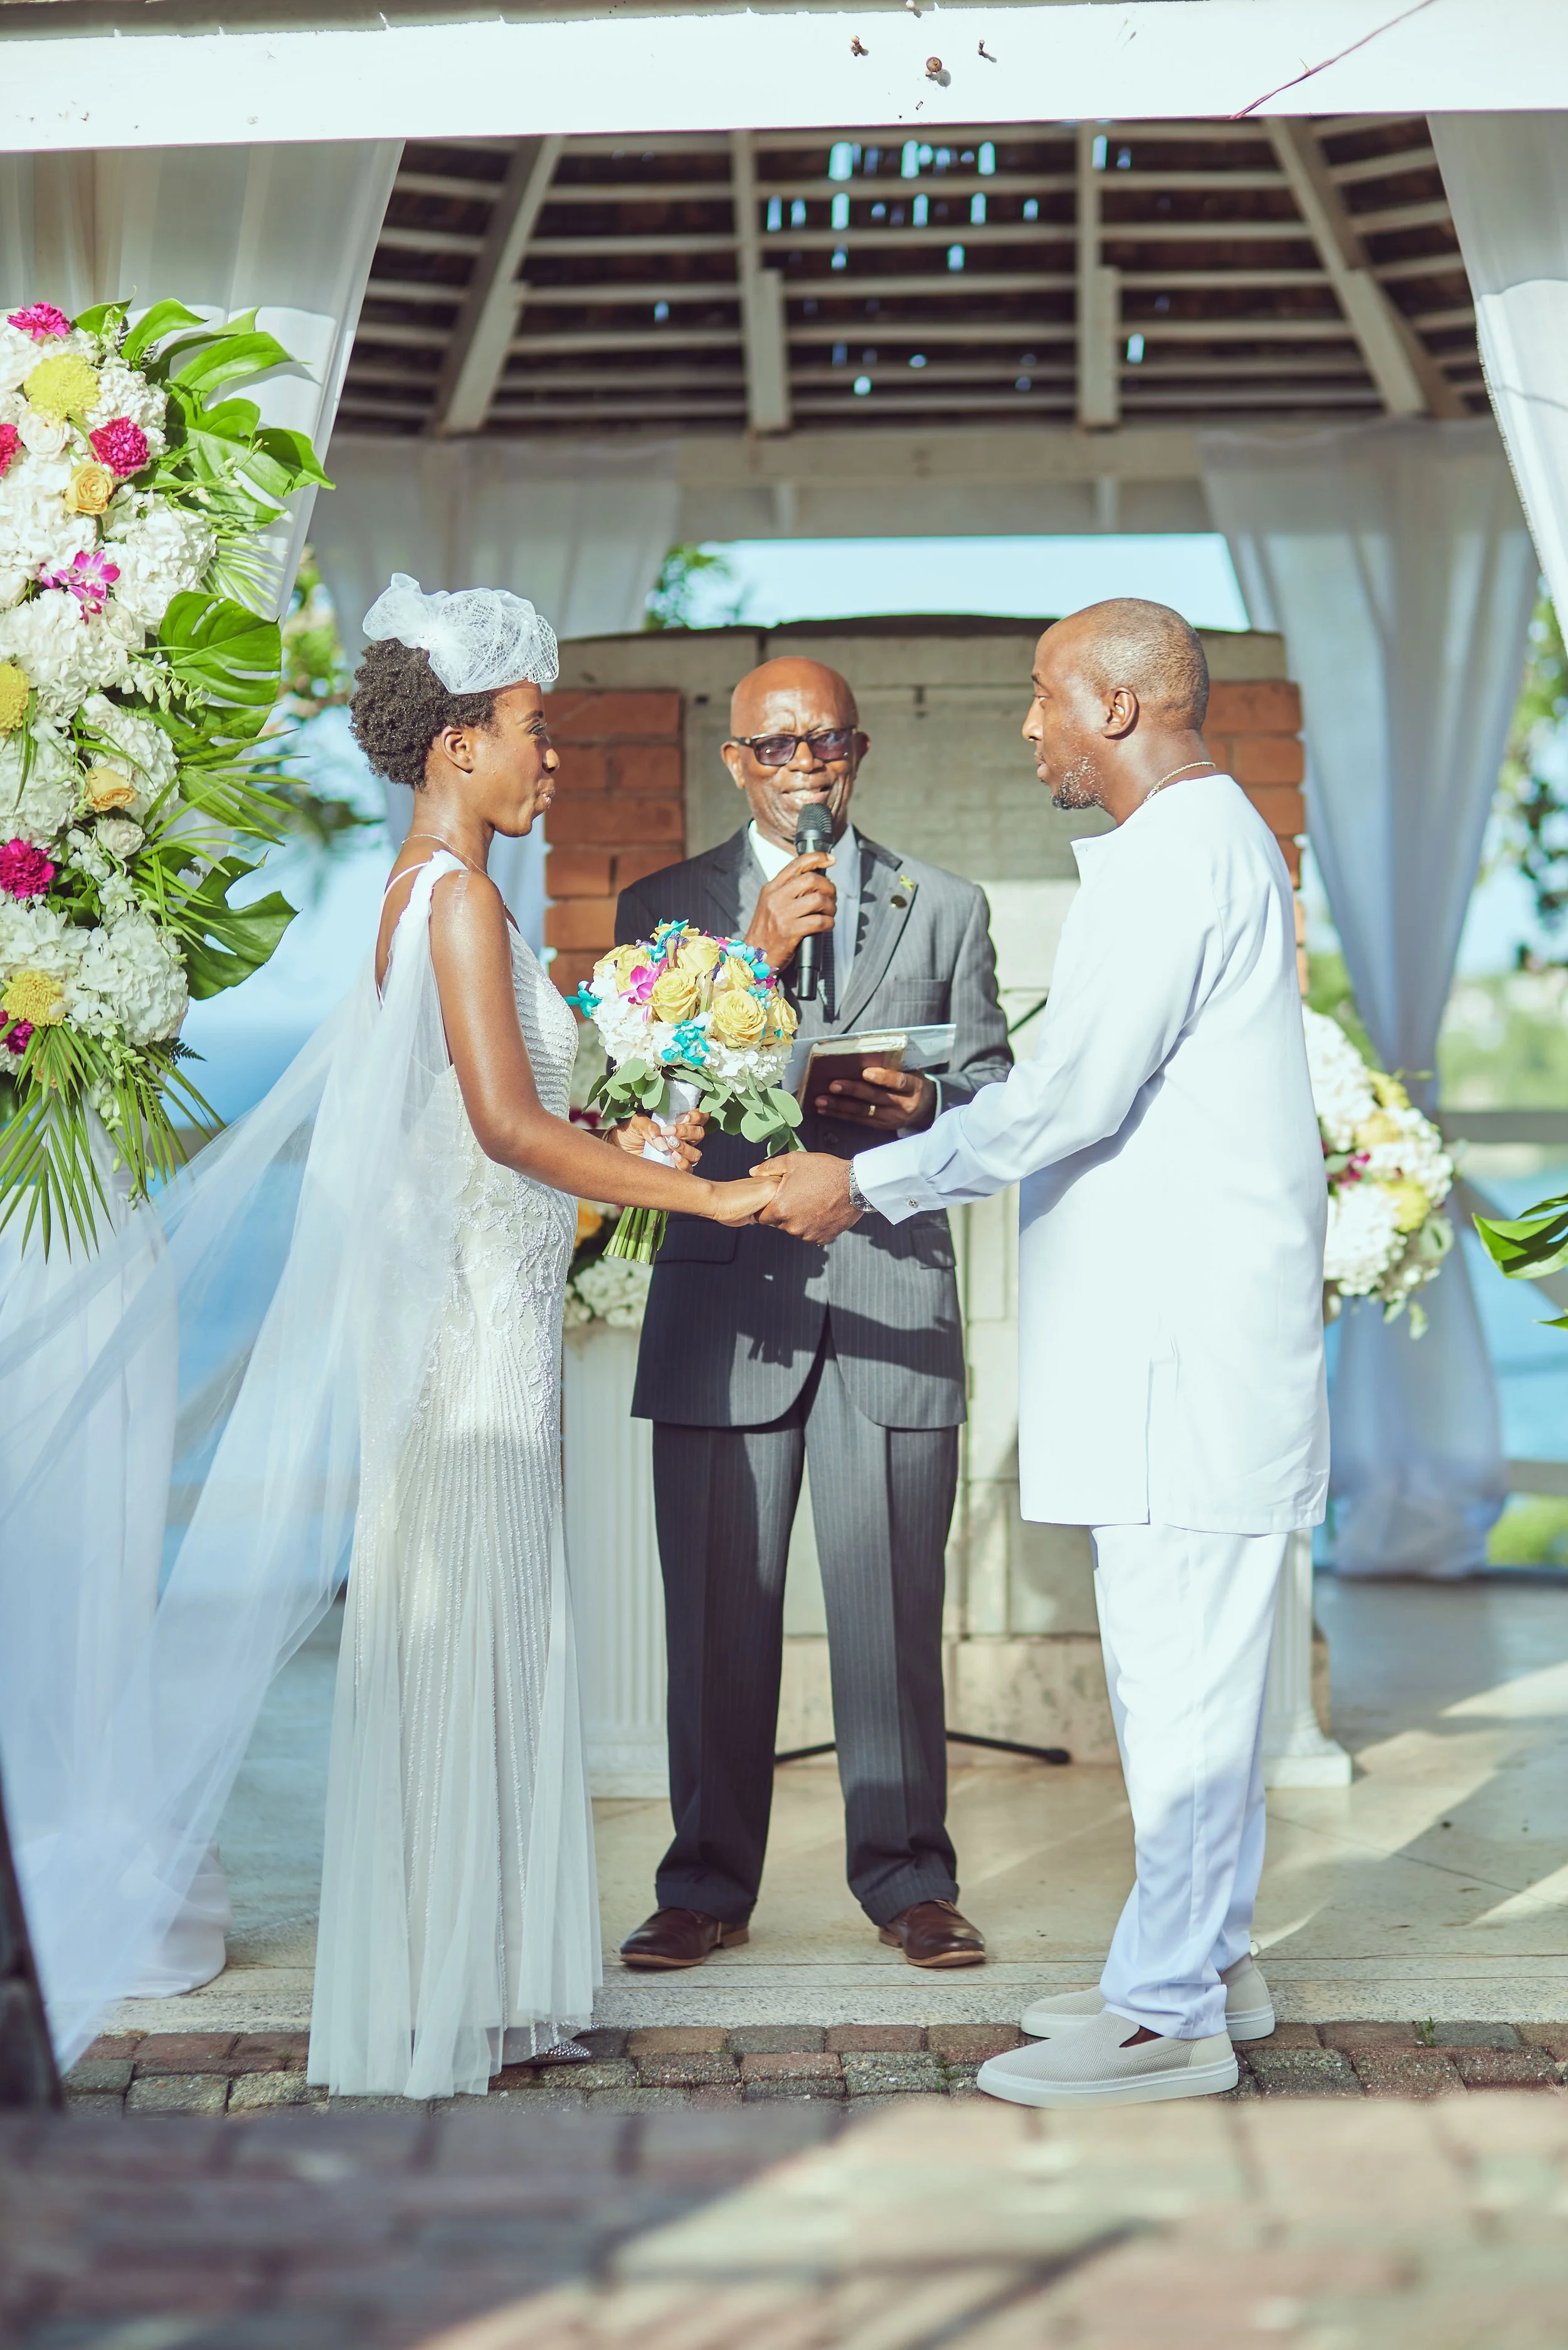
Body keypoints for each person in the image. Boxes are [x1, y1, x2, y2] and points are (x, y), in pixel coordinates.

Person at [0, 577, 777, 2097]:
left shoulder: (418, 897)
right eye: (530, 733)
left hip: (482, 1322)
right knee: (465, 1636)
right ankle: (449, 1995)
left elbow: (503, 1127)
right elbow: (501, 1128)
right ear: (453, 748)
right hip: (473, 1341)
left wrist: (634, 1137)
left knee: (467, 1639)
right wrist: (714, 1204)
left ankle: (462, 1983)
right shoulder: (462, 900)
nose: (548, 760)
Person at [754, 601, 1328, 2107]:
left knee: (1183, 1682)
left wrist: (859, 1179)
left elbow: (1065, 1097)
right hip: (1176, 1348)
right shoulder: (1196, 847)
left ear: (1123, 708)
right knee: (1184, 1675)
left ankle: (1163, 2024)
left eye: (1043, 699)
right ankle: (1206, 1964)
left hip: (1180, 1354)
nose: (1028, 727)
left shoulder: (1181, 856)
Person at [613, 655, 1011, 1974]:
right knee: (717, 1620)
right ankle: (704, 1886)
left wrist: (929, 1111)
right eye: (776, 748)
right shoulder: (663, 908)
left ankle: (908, 1881)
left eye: (826, 744)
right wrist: (754, 955)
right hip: (725, 1317)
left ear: (856, 755)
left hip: (888, 1301)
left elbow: (995, 1097)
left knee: (892, 1616)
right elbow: (636, 1099)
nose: (804, 768)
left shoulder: (945, 909)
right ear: (733, 761)